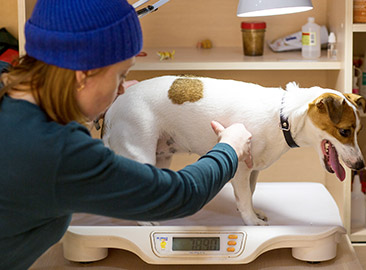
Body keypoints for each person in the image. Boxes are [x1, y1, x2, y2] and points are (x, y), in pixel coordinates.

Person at [0, 0, 253, 269]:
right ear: (84, 74)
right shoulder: (57, 151)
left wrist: (90, 102)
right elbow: (180, 195)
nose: (122, 90)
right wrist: (228, 148)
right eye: (120, 76)